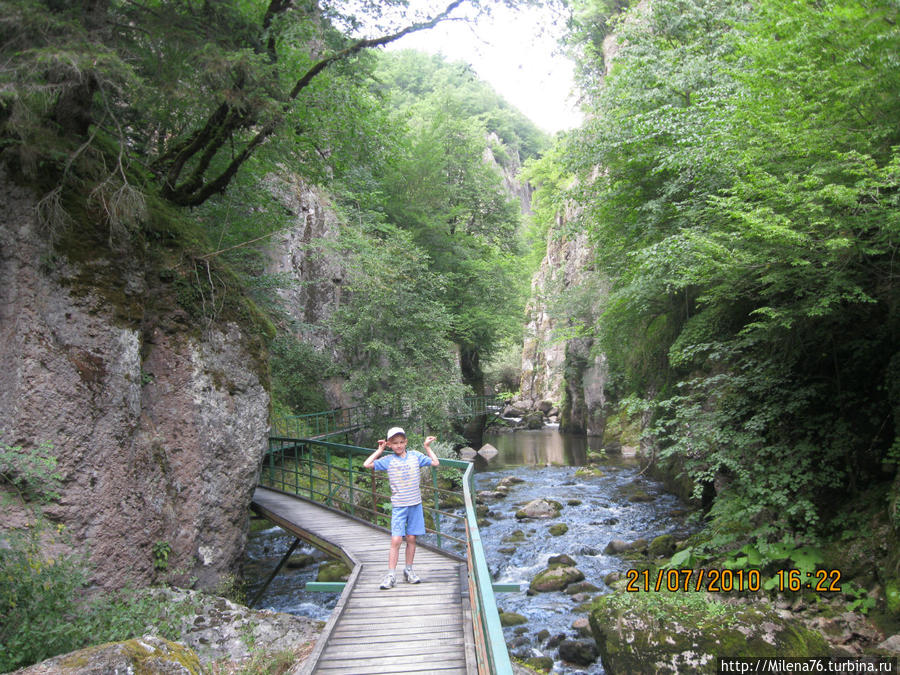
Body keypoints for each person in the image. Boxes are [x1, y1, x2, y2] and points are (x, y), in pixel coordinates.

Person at [363, 426, 439, 589]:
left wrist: (427, 447)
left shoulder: (415, 456)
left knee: (411, 538)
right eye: (394, 443)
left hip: (415, 504)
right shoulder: (388, 460)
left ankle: (409, 570)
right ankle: (391, 575)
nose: (398, 445)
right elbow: (367, 464)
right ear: (390, 444)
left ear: (406, 442)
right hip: (399, 506)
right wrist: (380, 450)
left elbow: (435, 462)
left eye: (401, 442)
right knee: (396, 540)